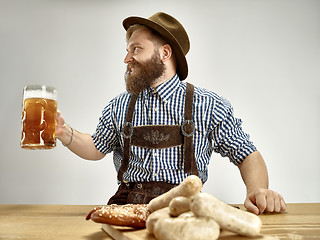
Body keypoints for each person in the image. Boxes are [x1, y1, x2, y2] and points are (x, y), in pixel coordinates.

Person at [56, 12, 286, 215]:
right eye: (127, 50)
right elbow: (96, 148)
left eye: (136, 49)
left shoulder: (209, 105)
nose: (127, 59)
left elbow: (246, 154)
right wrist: (64, 132)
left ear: (165, 53)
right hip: (128, 206)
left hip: (185, 209)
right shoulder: (118, 105)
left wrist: (258, 192)